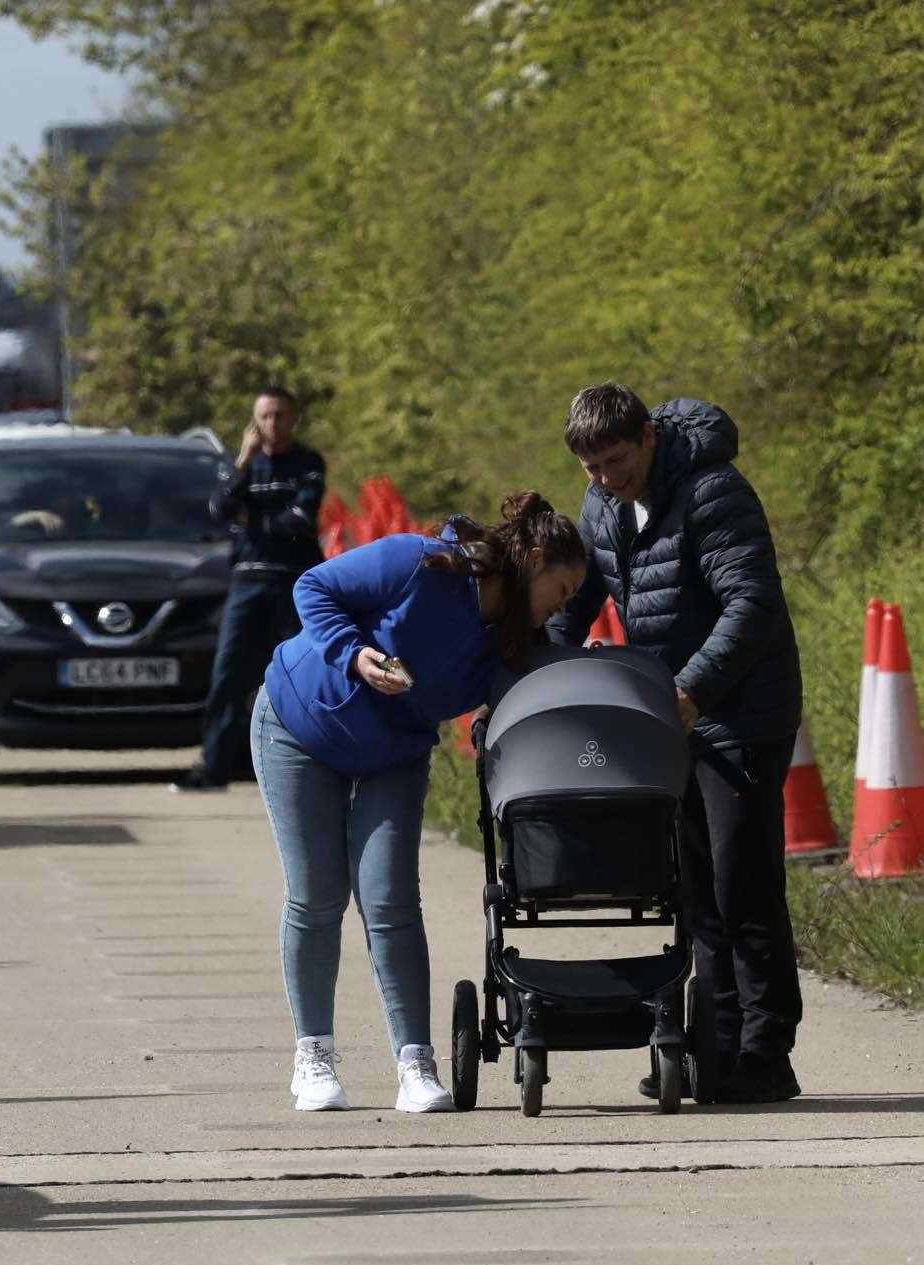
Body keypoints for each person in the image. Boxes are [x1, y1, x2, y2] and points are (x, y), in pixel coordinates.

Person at [258, 492, 586, 1113]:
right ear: (533, 559)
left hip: (393, 752)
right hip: (299, 724)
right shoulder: (421, 563)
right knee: (318, 892)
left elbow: (537, 686)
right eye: (561, 590)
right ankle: (314, 1058)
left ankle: (416, 1065)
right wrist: (355, 655)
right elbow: (313, 587)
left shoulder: (512, 640)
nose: (561, 607)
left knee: (389, 899)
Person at [547, 384, 803, 1105]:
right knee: (692, 888)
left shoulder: (714, 491)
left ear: (649, 438)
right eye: (590, 467)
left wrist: (692, 690)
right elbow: (578, 598)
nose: (604, 478)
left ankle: (765, 1050)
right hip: (670, 714)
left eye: (616, 461)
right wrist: (534, 671)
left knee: (740, 882)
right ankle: (710, 1048)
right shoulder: (601, 505)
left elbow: (751, 602)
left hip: (740, 710)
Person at [172, 387, 325, 792]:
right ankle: (214, 766)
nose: (271, 424)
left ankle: (311, 762)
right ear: (253, 423)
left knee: (301, 671)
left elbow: (300, 519)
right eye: (264, 417)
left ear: (293, 419)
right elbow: (220, 508)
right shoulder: (241, 466)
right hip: (247, 580)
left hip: (294, 580)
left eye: (279, 416)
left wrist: (252, 518)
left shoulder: (307, 464)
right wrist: (243, 461)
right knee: (228, 672)